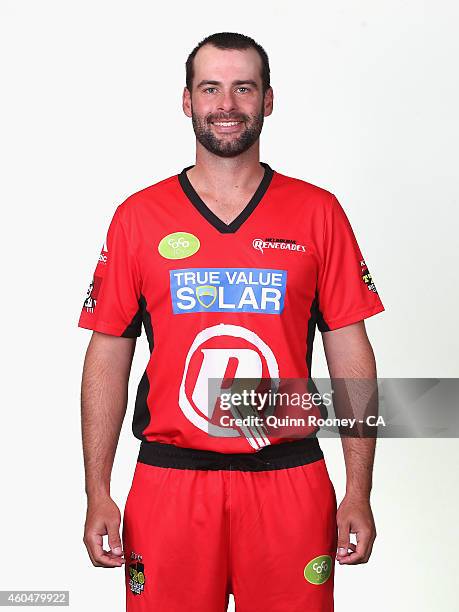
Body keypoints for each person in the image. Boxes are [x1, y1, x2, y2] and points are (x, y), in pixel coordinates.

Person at [78, 31, 385, 612]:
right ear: (187, 101)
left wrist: (359, 490)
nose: (227, 104)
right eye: (211, 88)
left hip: (289, 477)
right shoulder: (138, 218)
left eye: (243, 88)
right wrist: (98, 490)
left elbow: (352, 355)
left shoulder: (318, 213)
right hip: (170, 480)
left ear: (268, 100)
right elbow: (107, 356)